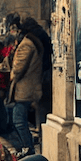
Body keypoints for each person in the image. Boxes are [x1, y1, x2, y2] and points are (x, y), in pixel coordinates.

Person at [6, 17, 49, 153]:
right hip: (30, 86)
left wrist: (11, 70)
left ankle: (28, 149)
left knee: (18, 119)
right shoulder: (33, 42)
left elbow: (18, 68)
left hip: (25, 87)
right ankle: (27, 147)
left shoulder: (27, 44)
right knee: (19, 117)